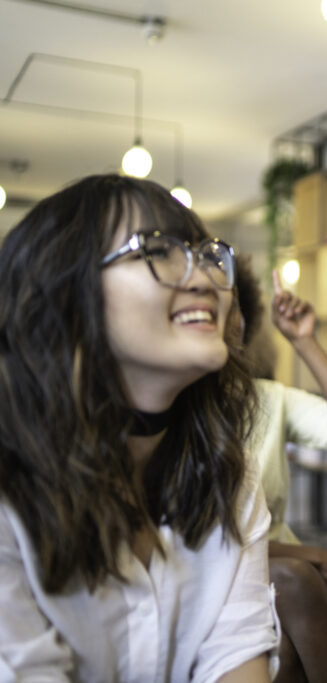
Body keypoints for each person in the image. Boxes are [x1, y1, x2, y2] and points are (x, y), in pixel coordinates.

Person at [0, 175, 277, 681]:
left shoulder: (228, 476)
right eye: (157, 250)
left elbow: (235, 661)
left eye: (208, 254)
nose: (206, 278)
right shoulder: (11, 492)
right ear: (63, 290)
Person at [232, 259, 327, 683]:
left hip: (279, 575)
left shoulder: (267, 399)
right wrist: (315, 556)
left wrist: (305, 341)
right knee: (292, 596)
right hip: (244, 574)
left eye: (233, 308)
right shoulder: (168, 409)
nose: (224, 321)